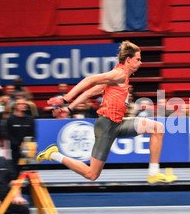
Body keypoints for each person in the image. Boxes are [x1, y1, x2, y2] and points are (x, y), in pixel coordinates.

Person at [36, 41, 177, 184]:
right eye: (138, 59)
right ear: (128, 60)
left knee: (158, 128)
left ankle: (153, 173)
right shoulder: (118, 74)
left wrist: (69, 108)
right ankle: (54, 154)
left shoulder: (120, 77)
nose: (141, 62)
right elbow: (90, 80)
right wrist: (66, 98)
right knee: (92, 174)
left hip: (118, 124)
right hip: (106, 127)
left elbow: (91, 92)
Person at [6, 98, 36, 170]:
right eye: (20, 104)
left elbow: (33, 134)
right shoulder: (11, 119)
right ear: (16, 106)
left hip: (28, 148)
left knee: (30, 169)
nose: (23, 105)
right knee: (16, 168)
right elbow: (8, 134)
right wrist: (18, 145)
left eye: (24, 104)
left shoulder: (30, 119)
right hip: (15, 148)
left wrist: (26, 146)